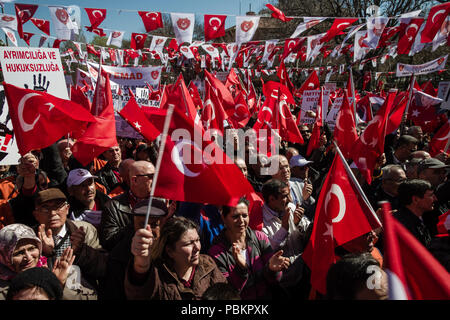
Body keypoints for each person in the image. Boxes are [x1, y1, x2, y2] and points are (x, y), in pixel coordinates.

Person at [125, 216, 227, 300]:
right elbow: (137, 294)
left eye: (197, 240)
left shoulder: (208, 264)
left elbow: (227, 295)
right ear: (170, 251)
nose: (197, 247)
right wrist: (141, 263)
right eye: (189, 243)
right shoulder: (157, 274)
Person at [208, 198, 290, 299]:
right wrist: (241, 269)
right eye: (235, 216)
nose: (241, 221)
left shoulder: (260, 238)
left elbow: (275, 280)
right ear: (224, 218)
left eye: (244, 215)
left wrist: (272, 269)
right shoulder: (217, 252)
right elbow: (226, 293)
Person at [32, 188, 107, 298]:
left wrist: (81, 250)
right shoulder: (30, 238)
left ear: (67, 209)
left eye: (58, 206)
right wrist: (46, 254)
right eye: (45, 208)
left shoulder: (85, 230)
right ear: (36, 215)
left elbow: (102, 268)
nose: (53, 213)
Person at [103, 197, 175, 300]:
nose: (148, 230)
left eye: (154, 225)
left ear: (164, 224)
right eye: (142, 224)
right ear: (134, 223)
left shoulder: (173, 249)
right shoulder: (120, 255)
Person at [260, 178, 311, 299]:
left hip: (302, 274)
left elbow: (308, 231)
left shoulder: (292, 207)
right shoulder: (261, 220)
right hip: (282, 284)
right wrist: (283, 228)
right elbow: (268, 249)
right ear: (272, 199)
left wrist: (298, 223)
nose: (289, 199)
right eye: (284, 196)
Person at [0, 223, 80, 300]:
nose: (28, 257)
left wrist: (58, 285)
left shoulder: (59, 268)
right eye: (19, 253)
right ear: (4, 256)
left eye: (31, 248)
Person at [100, 160, 155, 251]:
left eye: (156, 176)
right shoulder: (112, 206)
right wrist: (137, 223)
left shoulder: (162, 202)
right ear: (135, 180)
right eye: (150, 176)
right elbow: (108, 242)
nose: (155, 180)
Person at [395, 179, 435, 249]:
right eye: (431, 195)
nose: (435, 198)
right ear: (415, 199)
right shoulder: (402, 226)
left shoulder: (420, 219)